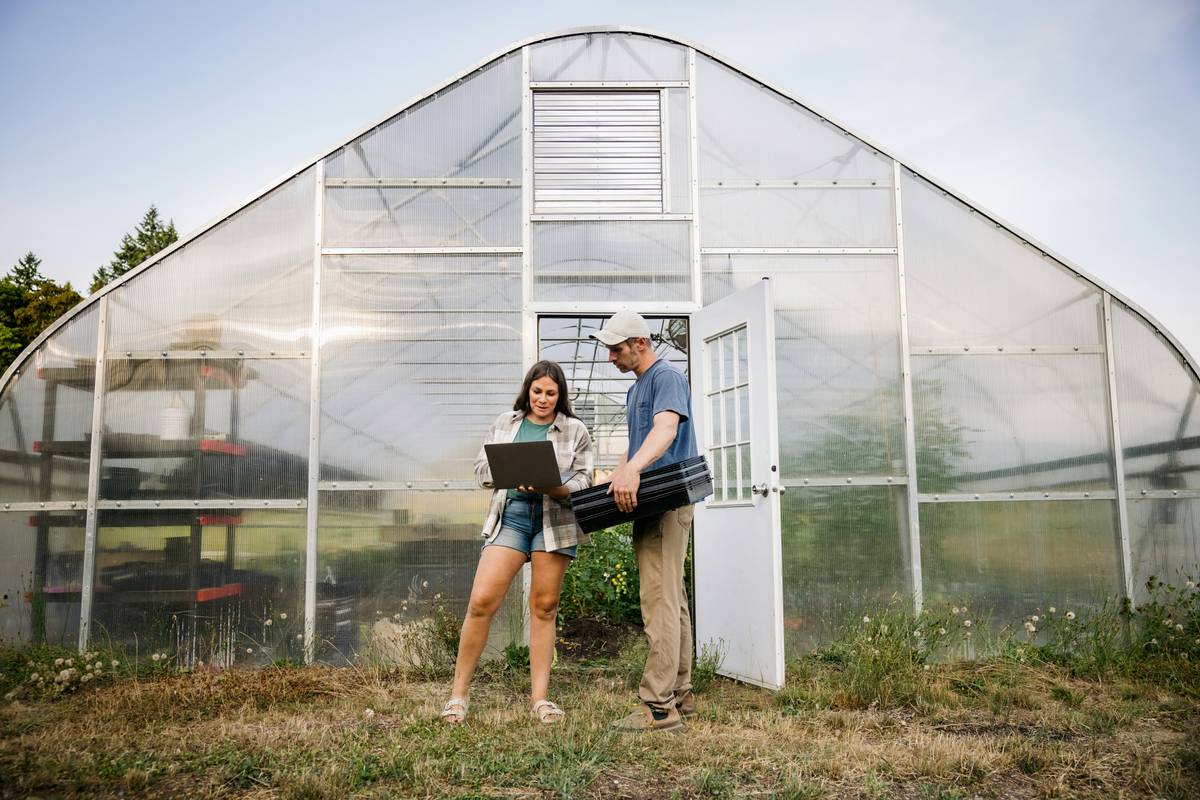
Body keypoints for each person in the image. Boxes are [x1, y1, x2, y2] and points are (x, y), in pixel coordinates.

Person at [440, 360, 593, 726]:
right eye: (537, 391)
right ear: (528, 391)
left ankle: (540, 699)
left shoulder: (575, 430)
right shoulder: (506, 423)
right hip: (511, 518)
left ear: (561, 396)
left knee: (544, 606)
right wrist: (510, 472)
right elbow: (481, 471)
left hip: (553, 522)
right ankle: (458, 696)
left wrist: (550, 486)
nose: (542, 399)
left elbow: (585, 481)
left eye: (551, 393)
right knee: (481, 601)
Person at [592, 311, 700, 733]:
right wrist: (616, 471)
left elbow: (666, 430)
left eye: (616, 349)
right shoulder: (637, 388)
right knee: (672, 596)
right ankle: (682, 692)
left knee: (659, 598)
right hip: (650, 501)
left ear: (640, 342)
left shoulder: (665, 377)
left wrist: (633, 470)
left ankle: (658, 705)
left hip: (666, 501)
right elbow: (639, 443)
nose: (610, 358)